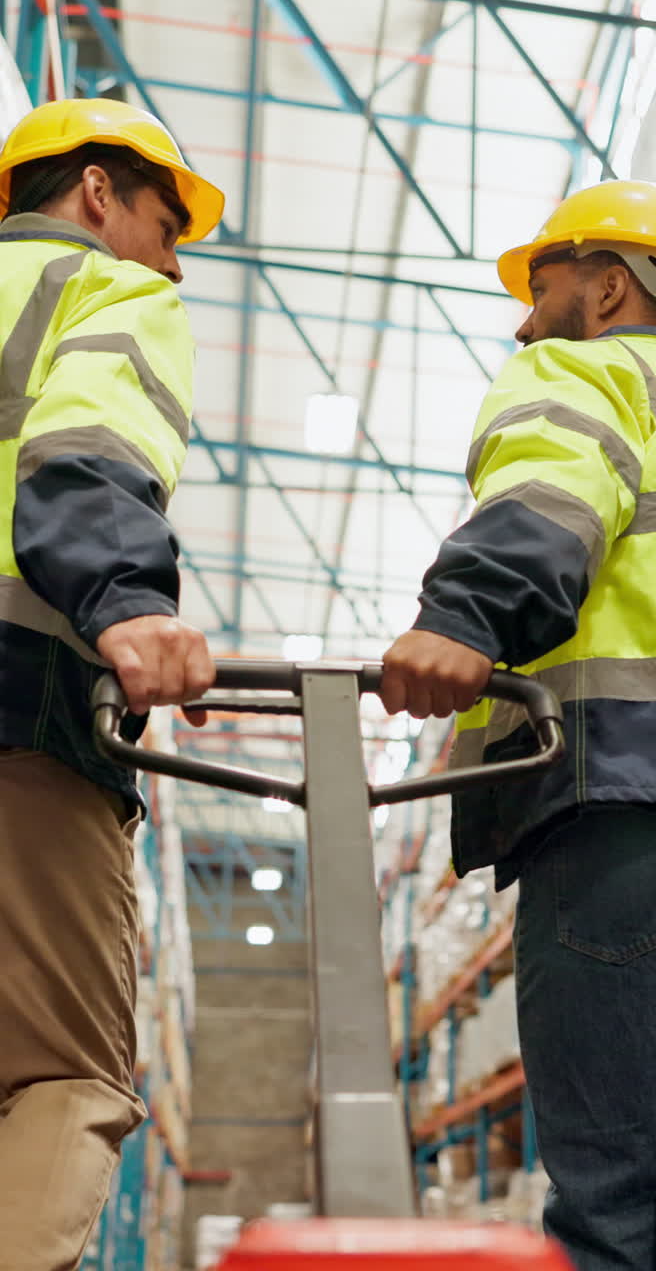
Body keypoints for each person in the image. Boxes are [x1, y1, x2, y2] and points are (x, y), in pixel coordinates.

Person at [381, 180, 656, 1268]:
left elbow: (551, 494)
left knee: (609, 1203)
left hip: (627, 806)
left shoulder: (589, 368)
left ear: (611, 286)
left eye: (542, 289)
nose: (524, 321)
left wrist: (461, 618)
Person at [0, 97, 224, 1270]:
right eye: (166, 223)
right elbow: (85, 446)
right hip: (19, 717)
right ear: (97, 193)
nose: (174, 261)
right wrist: (129, 599)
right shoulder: (103, 291)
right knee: (59, 1074)